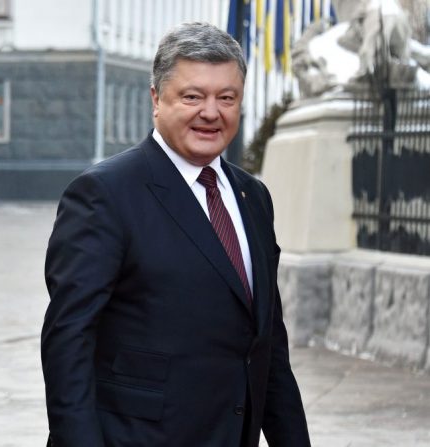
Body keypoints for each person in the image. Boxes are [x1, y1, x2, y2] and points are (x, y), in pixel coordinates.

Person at [41, 23, 311, 447]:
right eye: (192, 96)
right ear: (156, 98)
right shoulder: (105, 193)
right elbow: (68, 339)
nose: (211, 112)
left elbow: (268, 344)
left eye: (227, 98)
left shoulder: (253, 197)